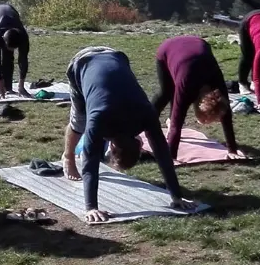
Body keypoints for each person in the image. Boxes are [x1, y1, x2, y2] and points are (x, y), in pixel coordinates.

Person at [62, 46, 188, 224]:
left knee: (88, 127)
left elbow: (163, 153)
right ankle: (68, 157)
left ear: (139, 144)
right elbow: (90, 161)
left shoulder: (146, 114)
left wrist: (177, 196)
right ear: (113, 146)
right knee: (79, 123)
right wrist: (91, 207)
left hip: (116, 56)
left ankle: (70, 156)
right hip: (82, 62)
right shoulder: (100, 119)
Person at [153, 34, 245, 162]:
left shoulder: (218, 87)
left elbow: (226, 114)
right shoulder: (187, 85)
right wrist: (171, 157)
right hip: (169, 49)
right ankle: (146, 122)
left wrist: (232, 150)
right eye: (205, 119)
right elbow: (177, 122)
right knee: (167, 92)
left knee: (177, 95)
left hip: (197, 46)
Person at [0, 2, 30, 97]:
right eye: (10, 47)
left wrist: (21, 86)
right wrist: (0, 85)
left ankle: (8, 87)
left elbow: (23, 60)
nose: (12, 50)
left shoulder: (23, 36)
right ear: (3, 39)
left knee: (8, 56)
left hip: (10, 13)